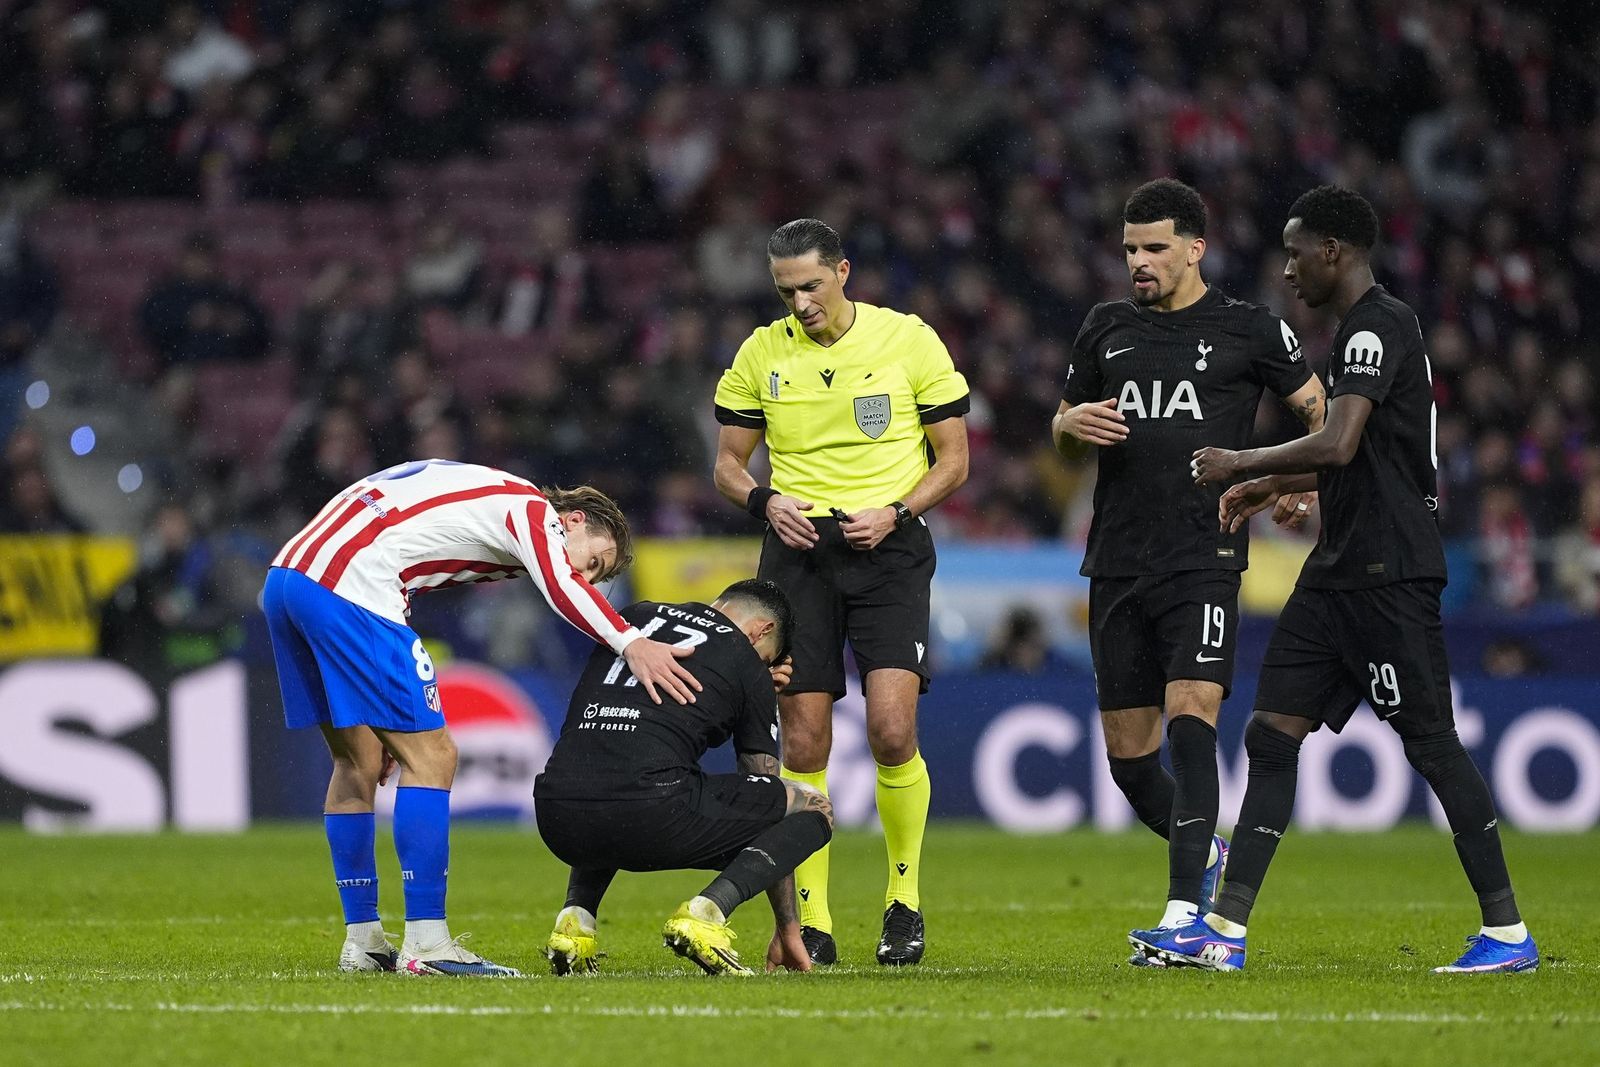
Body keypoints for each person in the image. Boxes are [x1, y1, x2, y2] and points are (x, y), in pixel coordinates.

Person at [1146, 185, 1537, 974]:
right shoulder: (1364, 332)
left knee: (1431, 744)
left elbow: (1339, 440)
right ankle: (1225, 931)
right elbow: (1365, 457)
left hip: (1390, 572)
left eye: (1296, 252)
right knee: (1269, 733)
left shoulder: (1377, 325)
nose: (1287, 270)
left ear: (1334, 250)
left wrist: (1242, 461)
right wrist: (1273, 489)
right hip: (1336, 573)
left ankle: (1507, 932)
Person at [261, 459, 701, 977]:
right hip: (351, 583)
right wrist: (631, 643)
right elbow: (562, 587)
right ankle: (427, 943)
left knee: (356, 761)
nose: (586, 576)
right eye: (595, 562)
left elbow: (392, 510)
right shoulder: (533, 511)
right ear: (576, 519)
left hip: (289, 578)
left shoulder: (484, 494)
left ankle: (364, 941)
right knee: (434, 756)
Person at [1051, 178, 1327, 965]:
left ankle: (1184, 916)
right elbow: (1065, 432)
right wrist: (1070, 426)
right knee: (1130, 761)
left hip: (1203, 555)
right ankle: (1205, 855)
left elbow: (1324, 414)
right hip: (1115, 559)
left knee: (1191, 716)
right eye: (1130, 248)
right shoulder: (1106, 327)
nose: (1138, 261)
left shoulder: (1249, 328)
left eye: (1155, 247)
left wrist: (1298, 482)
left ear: (1195, 248)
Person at [712, 218, 971, 966]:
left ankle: (903, 900)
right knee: (804, 739)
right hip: (797, 558)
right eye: (786, 290)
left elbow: (955, 459)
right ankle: (814, 922)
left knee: (892, 729)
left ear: (844, 271)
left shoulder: (908, 340)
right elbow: (728, 465)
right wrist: (764, 502)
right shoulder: (762, 354)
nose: (800, 302)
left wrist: (898, 510)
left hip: (888, 548)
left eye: (811, 286)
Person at [535, 579, 831, 977]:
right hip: (648, 816)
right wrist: (786, 925)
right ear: (761, 631)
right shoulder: (746, 660)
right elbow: (767, 792)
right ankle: (707, 912)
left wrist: (746, 692)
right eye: (767, 657)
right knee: (812, 807)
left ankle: (575, 920)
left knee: (611, 769)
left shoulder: (634, 617)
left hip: (557, 815)